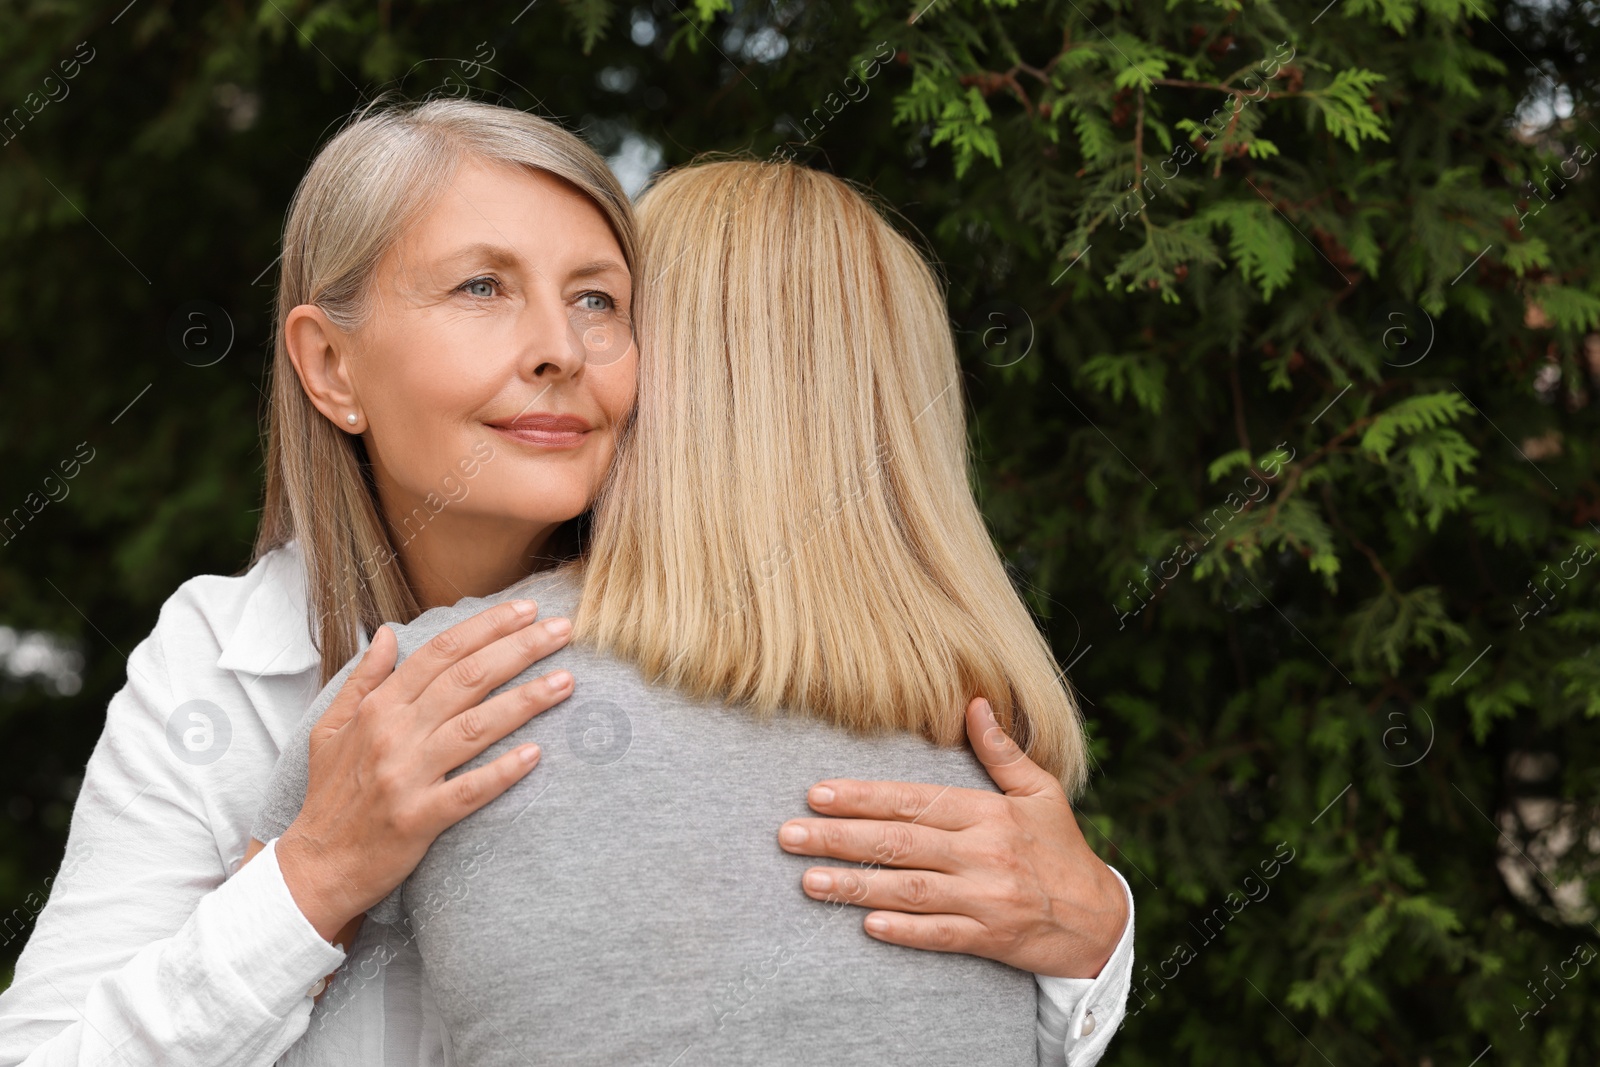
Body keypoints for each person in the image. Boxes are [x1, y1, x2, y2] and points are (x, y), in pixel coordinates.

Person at [0, 100, 1129, 1067]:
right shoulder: (221, 659)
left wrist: (1092, 931)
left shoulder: (773, 653)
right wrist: (313, 873)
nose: (560, 349)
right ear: (332, 365)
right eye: (483, 285)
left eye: (597, 299)